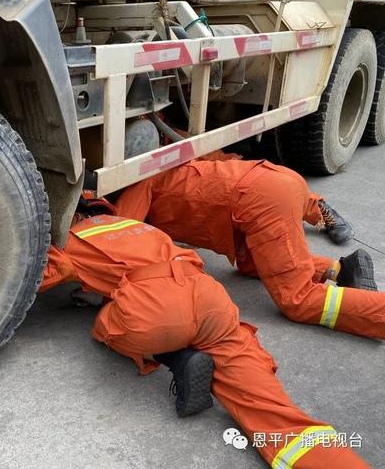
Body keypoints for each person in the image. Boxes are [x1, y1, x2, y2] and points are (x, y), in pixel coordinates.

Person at [40, 194, 369, 468]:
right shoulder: (137, 227)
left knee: (106, 322)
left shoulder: (69, 240)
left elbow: (32, 276)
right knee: (273, 413)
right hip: (209, 296)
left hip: (152, 310)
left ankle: (180, 358)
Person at [115, 159, 385, 339]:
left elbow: (123, 243)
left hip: (260, 202)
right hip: (278, 182)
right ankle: (341, 270)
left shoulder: (135, 187)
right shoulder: (168, 164)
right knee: (250, 263)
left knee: (298, 300)